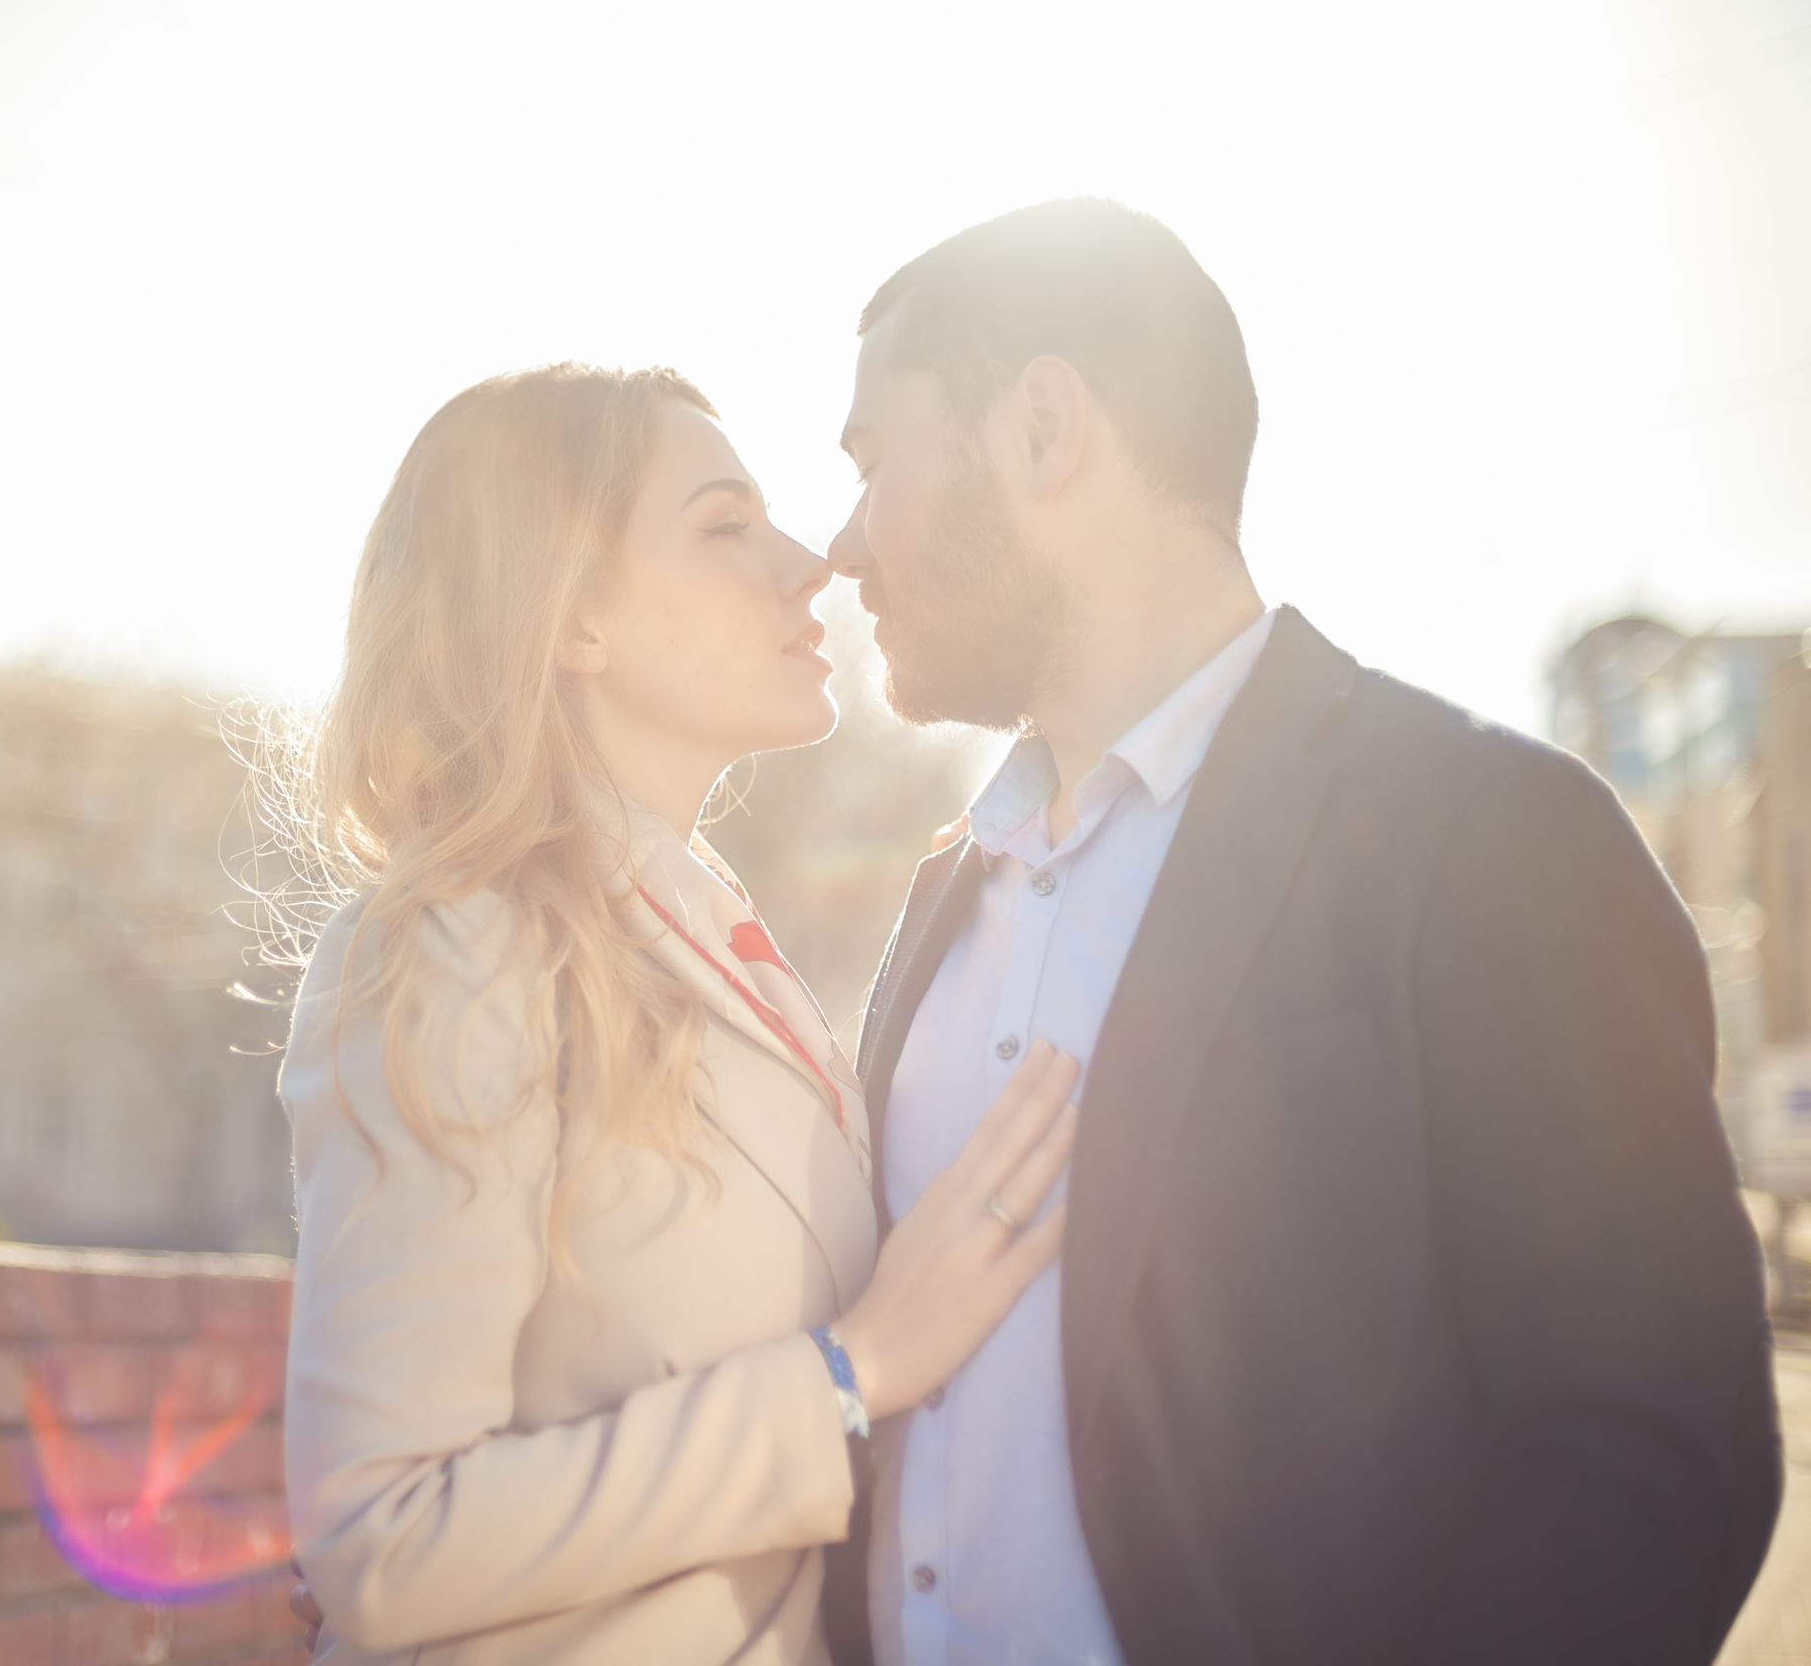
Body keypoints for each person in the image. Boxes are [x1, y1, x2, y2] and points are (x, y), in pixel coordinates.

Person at [826, 197, 1783, 1666]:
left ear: (1042, 428)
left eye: (872, 462)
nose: (841, 545)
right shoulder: (945, 886)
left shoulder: (1491, 832)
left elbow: (1650, 1448)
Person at [272, 363, 1080, 1665]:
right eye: (725, 525)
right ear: (573, 616)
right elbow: (384, 1537)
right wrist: (850, 1374)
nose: (810, 564)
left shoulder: (706, 937)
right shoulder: (457, 942)